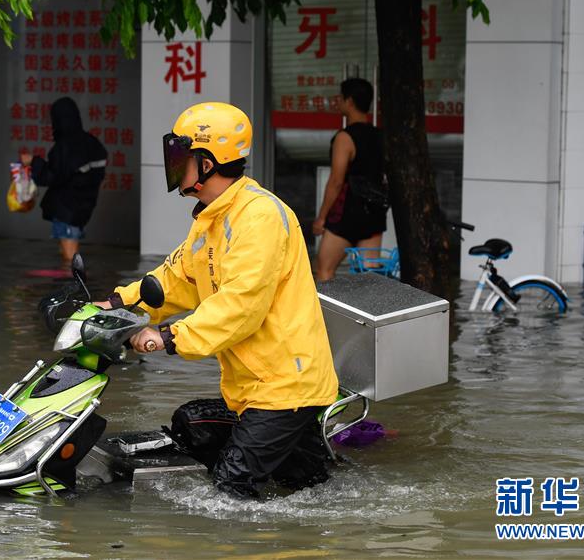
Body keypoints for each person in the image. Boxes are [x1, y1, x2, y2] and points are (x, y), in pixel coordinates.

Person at [97, 102, 339, 499]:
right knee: (192, 427)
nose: (173, 166)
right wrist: (116, 304)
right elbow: (175, 279)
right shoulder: (211, 218)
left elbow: (240, 306)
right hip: (254, 387)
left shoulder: (258, 217)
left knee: (231, 488)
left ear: (207, 163)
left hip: (284, 387)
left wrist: (167, 336)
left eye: (180, 156)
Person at [313, 78, 387, 281]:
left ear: (350, 101)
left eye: (340, 98)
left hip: (346, 214)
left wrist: (321, 218)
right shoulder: (380, 136)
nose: (338, 102)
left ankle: (326, 313)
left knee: (325, 271)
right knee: (368, 276)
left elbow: (336, 181)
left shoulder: (344, 138)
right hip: (373, 213)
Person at [22, 97, 107, 266]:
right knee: (69, 251)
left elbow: (52, 176)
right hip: (84, 207)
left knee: (70, 259)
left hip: (68, 210)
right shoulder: (91, 143)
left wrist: (33, 161)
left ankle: (75, 287)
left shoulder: (65, 147)